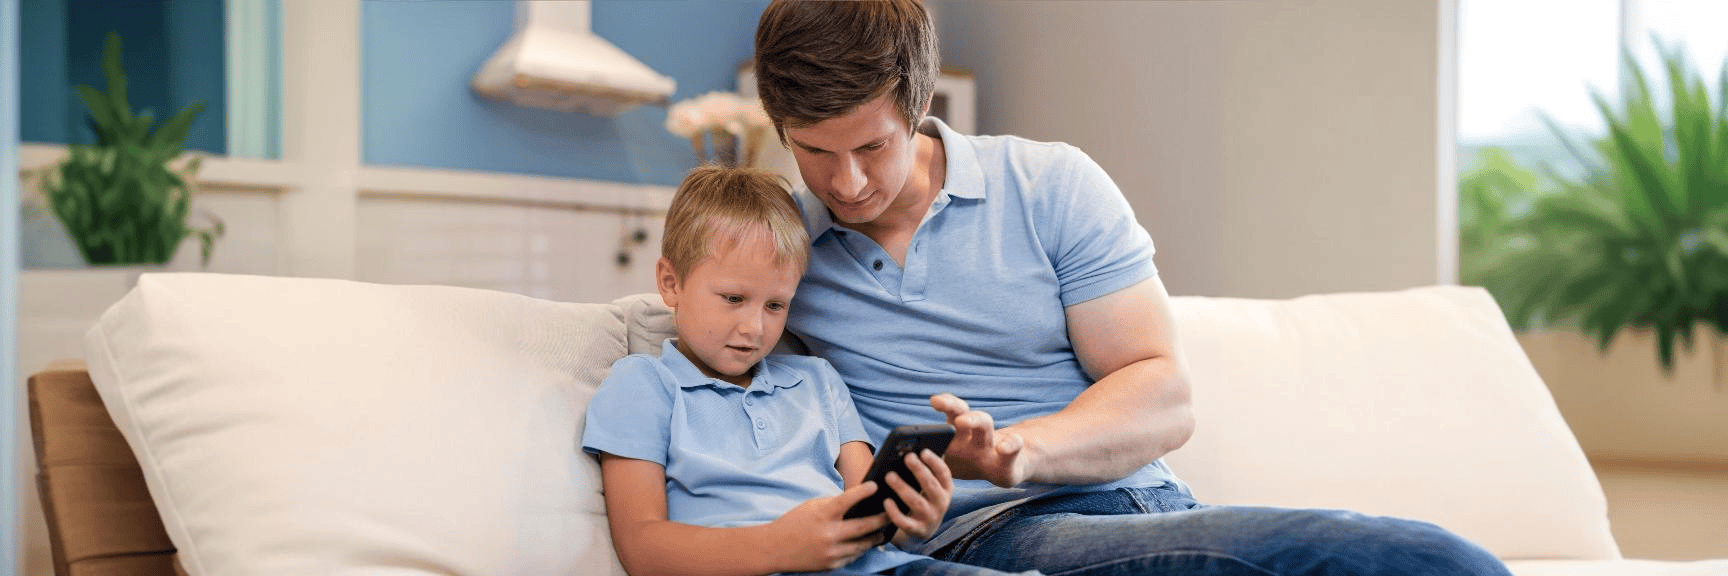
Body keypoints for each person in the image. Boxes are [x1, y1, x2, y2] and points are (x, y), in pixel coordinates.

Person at [752, 1, 1516, 575]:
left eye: (871, 146)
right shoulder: (778, 252)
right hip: (990, 536)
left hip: (1144, 507)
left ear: (921, 107)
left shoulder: (1048, 184)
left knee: (1403, 557)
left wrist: (1017, 449)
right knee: (1410, 560)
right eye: (814, 151)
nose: (846, 183)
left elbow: (1162, 394)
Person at [582, 165, 1040, 576]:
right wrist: (777, 547)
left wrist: (912, 518)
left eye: (775, 305)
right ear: (670, 283)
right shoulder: (644, 384)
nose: (754, 327)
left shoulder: (817, 381)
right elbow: (641, 546)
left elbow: (870, 509)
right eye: (733, 298)